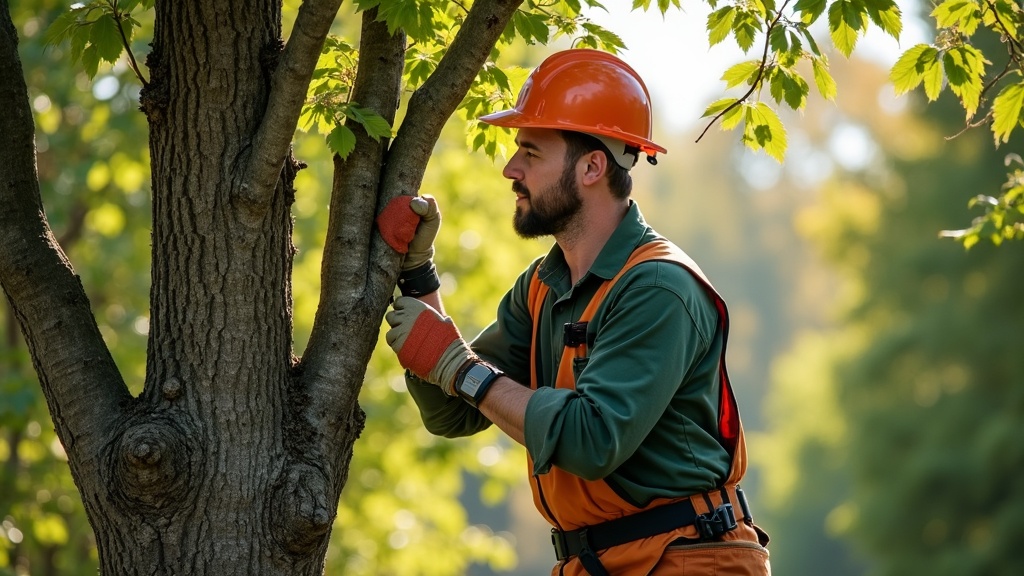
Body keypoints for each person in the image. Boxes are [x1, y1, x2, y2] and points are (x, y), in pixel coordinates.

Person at [375, 49, 771, 575]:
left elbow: (591, 440)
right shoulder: (544, 284)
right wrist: (420, 276)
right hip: (594, 562)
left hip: (687, 560)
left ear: (592, 166)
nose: (510, 169)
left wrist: (459, 369)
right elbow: (454, 409)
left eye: (532, 153)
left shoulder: (659, 287)